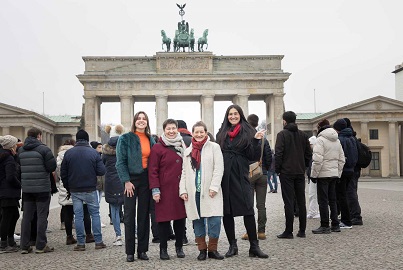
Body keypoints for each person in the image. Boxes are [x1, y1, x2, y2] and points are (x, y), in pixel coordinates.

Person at [215, 104, 268, 259]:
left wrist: (256, 141)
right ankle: (233, 245)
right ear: (227, 116)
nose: (233, 116)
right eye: (230, 114)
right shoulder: (222, 132)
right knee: (227, 211)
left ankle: (254, 245)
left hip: (241, 173)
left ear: (240, 115)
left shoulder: (249, 131)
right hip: (226, 174)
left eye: (235, 114)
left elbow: (253, 155)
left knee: (248, 209)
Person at [180, 121, 225, 260]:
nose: (199, 134)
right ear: (192, 133)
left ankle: (212, 249)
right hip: (194, 192)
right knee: (197, 221)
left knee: (215, 220)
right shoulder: (188, 151)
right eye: (196, 132)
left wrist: (214, 187)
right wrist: (183, 190)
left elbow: (219, 168)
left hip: (211, 191)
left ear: (206, 133)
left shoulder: (214, 147)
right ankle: (202, 250)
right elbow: (184, 173)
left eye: (201, 132)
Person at [116, 111, 156, 262]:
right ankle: (130, 252)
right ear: (134, 121)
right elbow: (120, 162)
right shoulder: (125, 138)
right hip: (131, 180)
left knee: (144, 215)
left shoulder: (150, 139)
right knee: (129, 215)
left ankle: (142, 250)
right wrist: (126, 181)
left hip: (146, 180)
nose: (141, 121)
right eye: (138, 119)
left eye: (144, 119)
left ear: (147, 122)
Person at [60, 129, 107, 251]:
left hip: (75, 189)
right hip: (90, 188)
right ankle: (98, 241)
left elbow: (63, 173)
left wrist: (68, 187)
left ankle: (80, 243)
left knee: (78, 216)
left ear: (77, 139)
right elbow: (102, 171)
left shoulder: (69, 153)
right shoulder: (93, 153)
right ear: (87, 139)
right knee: (95, 214)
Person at [148, 119, 187, 260]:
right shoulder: (158, 148)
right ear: (164, 130)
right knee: (163, 221)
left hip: (180, 188)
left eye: (173, 128)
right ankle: (163, 249)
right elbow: (153, 170)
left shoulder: (183, 144)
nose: (171, 131)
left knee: (180, 219)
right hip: (164, 189)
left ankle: (179, 247)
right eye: (168, 129)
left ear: (177, 129)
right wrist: (155, 189)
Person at [18, 127, 57, 254]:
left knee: (26, 217)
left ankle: (24, 245)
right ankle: (40, 245)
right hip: (42, 188)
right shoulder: (44, 149)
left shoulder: (21, 150)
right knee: (41, 216)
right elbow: (52, 167)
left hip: (27, 189)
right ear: (39, 136)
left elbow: (18, 169)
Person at [275, 111, 312, 239]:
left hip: (286, 172)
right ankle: (302, 231)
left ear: (284, 121)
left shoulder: (282, 135)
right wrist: (304, 165)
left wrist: (277, 169)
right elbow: (309, 154)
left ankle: (289, 231)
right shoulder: (303, 135)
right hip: (299, 172)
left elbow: (278, 154)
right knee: (301, 201)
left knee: (289, 202)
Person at [310, 119, 345, 234]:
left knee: (323, 200)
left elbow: (317, 159)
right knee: (333, 200)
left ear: (320, 128)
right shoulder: (337, 140)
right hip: (334, 174)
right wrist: (338, 173)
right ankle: (335, 224)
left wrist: (314, 175)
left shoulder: (320, 140)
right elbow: (342, 160)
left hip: (323, 174)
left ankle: (325, 225)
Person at [241, 114, 272, 241]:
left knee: (249, 204)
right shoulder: (264, 139)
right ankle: (261, 231)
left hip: (249, 174)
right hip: (262, 173)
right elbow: (269, 157)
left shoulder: (246, 138)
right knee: (261, 205)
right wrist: (265, 169)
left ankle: (250, 232)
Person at [102, 125, 125, 246]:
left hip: (110, 182)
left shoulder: (105, 151)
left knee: (114, 210)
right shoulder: (125, 147)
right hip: (124, 181)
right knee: (129, 209)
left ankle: (118, 236)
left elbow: (102, 165)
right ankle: (135, 234)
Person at [333, 119, 358, 229]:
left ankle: (346, 221)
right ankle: (347, 218)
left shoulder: (340, 139)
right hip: (351, 170)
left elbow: (339, 156)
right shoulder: (352, 138)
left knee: (341, 196)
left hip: (342, 170)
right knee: (346, 195)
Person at [0, 135, 20, 253]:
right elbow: (10, 177)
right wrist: (19, 185)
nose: (16, 146)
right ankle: (4, 243)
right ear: (11, 146)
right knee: (7, 217)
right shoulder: (8, 158)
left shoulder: (3, 155)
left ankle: (10, 240)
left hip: (4, 191)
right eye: (15, 145)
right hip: (8, 191)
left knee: (13, 215)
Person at [344, 118, 364, 226]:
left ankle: (356, 216)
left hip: (351, 170)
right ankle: (353, 214)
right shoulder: (353, 136)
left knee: (350, 193)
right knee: (352, 192)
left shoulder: (349, 138)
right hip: (355, 169)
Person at [90, 141, 106, 228]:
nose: (101, 149)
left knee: (98, 203)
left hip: (100, 183)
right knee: (95, 204)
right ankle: (95, 220)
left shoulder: (101, 157)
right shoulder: (93, 157)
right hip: (95, 183)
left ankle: (97, 220)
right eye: (99, 147)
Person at [307, 136, 320, 219]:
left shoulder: (316, 152)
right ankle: (312, 211)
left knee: (313, 194)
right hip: (312, 176)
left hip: (314, 176)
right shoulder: (313, 153)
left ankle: (314, 212)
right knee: (312, 194)